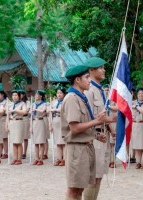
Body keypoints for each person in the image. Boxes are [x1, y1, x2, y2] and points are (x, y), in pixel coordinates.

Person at [62, 65, 107, 200]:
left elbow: (84, 124)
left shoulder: (81, 97)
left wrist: (96, 135)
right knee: (74, 190)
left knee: (81, 187)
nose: (89, 80)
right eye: (87, 77)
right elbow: (74, 128)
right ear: (77, 79)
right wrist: (97, 121)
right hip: (77, 149)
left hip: (86, 146)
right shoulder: (71, 98)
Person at [83, 57, 116, 200]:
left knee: (99, 175)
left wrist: (110, 128)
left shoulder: (100, 90)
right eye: (100, 68)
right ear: (91, 70)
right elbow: (87, 116)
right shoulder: (89, 91)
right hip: (94, 137)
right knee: (92, 177)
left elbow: (102, 112)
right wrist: (109, 119)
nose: (104, 70)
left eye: (103, 67)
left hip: (103, 135)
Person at [6, 90, 27, 165]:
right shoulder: (10, 104)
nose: (14, 97)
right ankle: (15, 158)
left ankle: (19, 158)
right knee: (14, 142)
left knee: (18, 141)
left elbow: (24, 112)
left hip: (18, 122)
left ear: (19, 96)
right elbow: (7, 115)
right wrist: (7, 125)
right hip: (12, 122)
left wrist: (15, 110)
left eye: (16, 95)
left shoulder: (22, 103)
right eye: (13, 95)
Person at [49, 86, 66, 166]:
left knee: (63, 141)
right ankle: (59, 158)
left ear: (64, 94)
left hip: (63, 121)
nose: (59, 94)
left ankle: (65, 159)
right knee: (58, 142)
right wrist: (50, 124)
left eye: (61, 93)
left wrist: (55, 110)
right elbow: (50, 113)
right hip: (55, 121)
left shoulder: (66, 101)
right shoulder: (54, 102)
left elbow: (64, 109)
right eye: (58, 93)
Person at [103, 84, 118, 168]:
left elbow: (118, 107)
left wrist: (108, 106)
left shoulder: (113, 99)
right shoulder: (101, 99)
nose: (107, 91)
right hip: (103, 123)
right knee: (106, 143)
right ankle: (107, 160)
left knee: (112, 143)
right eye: (105, 90)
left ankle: (113, 160)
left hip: (112, 122)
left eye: (108, 90)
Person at [30, 90, 47, 166]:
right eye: (35, 95)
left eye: (37, 95)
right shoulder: (33, 104)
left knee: (41, 141)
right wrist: (30, 127)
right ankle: (36, 158)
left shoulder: (44, 104)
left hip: (40, 121)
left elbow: (43, 111)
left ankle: (41, 158)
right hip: (34, 122)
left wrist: (36, 109)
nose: (36, 96)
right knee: (36, 142)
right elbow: (30, 116)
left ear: (41, 96)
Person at [0, 88, 9, 159]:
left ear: (2, 95)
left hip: (4, 119)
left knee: (4, 137)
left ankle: (6, 153)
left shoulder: (7, 101)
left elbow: (7, 110)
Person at [18, 89, 31, 159]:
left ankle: (24, 152)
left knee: (25, 137)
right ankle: (19, 152)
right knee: (19, 136)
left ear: (24, 95)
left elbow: (26, 111)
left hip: (25, 118)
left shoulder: (27, 102)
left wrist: (18, 111)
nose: (20, 96)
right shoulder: (17, 102)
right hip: (18, 119)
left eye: (21, 94)